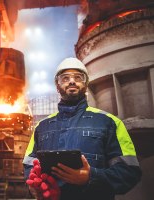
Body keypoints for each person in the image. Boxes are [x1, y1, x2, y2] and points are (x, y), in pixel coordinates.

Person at [23, 57, 141, 200]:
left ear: (85, 84)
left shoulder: (109, 122)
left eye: (78, 77)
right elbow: (30, 164)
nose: (72, 81)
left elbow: (129, 171)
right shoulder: (41, 127)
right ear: (57, 85)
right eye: (65, 78)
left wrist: (91, 177)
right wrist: (34, 186)